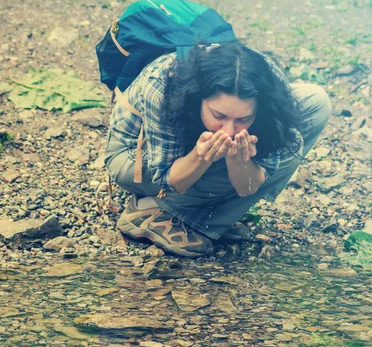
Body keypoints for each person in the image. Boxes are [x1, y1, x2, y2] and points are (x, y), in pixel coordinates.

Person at [104, 41, 331, 257]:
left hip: (196, 153)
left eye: (244, 118)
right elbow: (168, 179)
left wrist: (239, 162)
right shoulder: (163, 86)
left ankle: (197, 215)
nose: (230, 130)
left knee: (312, 108)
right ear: (198, 98)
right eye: (218, 116)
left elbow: (248, 186)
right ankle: (160, 213)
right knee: (232, 161)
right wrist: (200, 158)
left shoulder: (272, 86)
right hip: (135, 157)